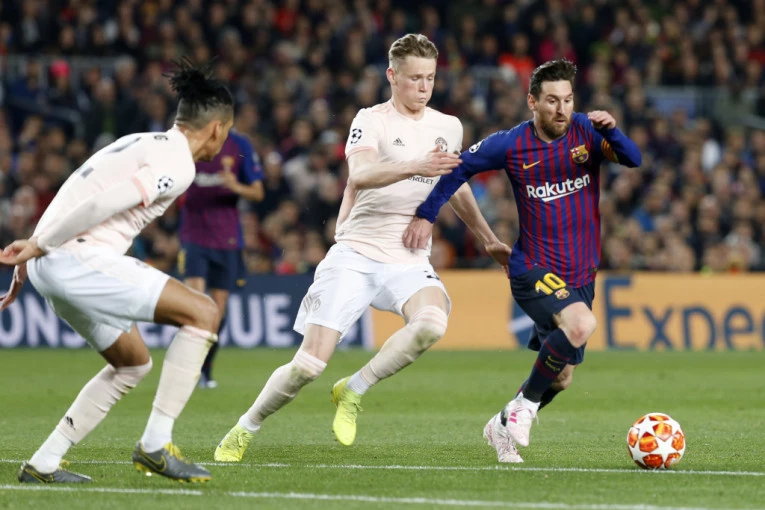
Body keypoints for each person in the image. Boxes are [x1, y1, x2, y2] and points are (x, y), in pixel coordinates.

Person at [214, 33, 511, 461]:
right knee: (308, 366)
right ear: (392, 76)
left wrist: (488, 239)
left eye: (430, 78)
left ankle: (353, 389)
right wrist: (417, 165)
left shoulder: (448, 126)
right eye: (414, 78)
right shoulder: (371, 120)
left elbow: (455, 185)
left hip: (408, 256)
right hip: (357, 251)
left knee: (431, 323)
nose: (424, 87)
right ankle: (245, 427)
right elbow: (361, 174)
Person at [0, 58, 235, 483]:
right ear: (217, 129)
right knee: (204, 313)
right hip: (75, 258)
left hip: (52, 262)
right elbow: (103, 203)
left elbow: (76, 191)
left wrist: (33, 254)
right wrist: (39, 245)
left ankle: (44, 463)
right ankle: (155, 445)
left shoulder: (140, 142)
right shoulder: (178, 163)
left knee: (132, 364)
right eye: (227, 132)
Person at [403, 59, 642, 463]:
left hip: (579, 276)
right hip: (533, 267)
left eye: (567, 100)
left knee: (561, 378)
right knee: (581, 324)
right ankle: (524, 408)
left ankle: (502, 425)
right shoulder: (511, 144)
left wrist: (613, 131)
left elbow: (633, 159)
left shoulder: (586, 131)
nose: (561, 109)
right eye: (552, 100)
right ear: (532, 101)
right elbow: (459, 169)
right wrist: (426, 215)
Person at [178, 127, 264, 389]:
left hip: (227, 238)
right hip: (194, 234)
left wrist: (235, 186)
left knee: (218, 310)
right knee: (195, 303)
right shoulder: (189, 141)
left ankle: (205, 368)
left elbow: (258, 192)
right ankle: (187, 367)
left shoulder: (240, 145)